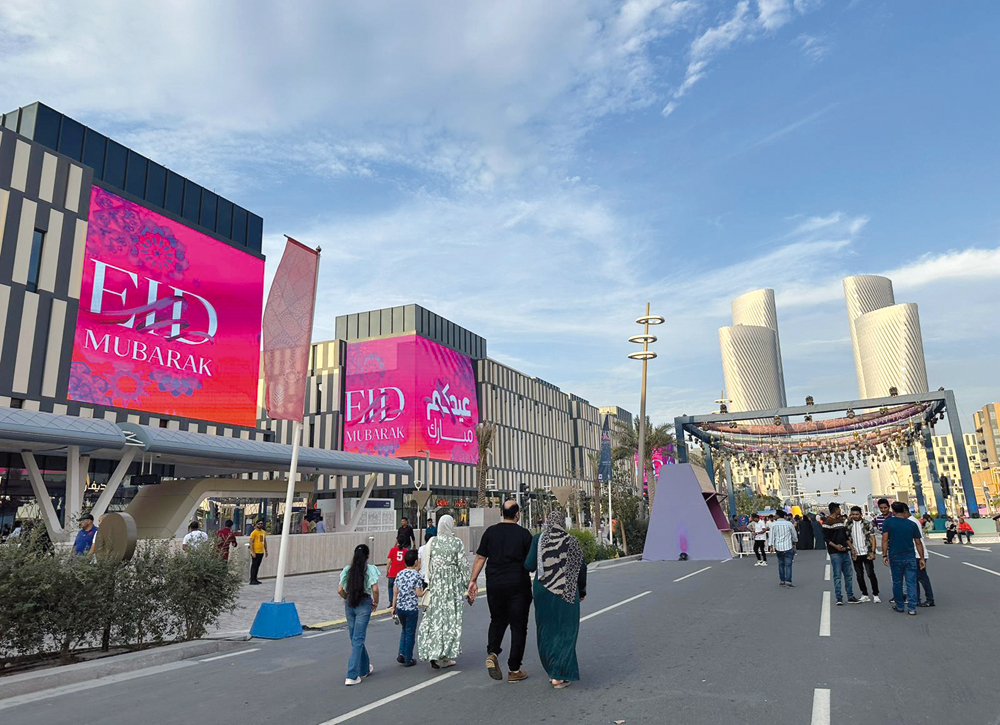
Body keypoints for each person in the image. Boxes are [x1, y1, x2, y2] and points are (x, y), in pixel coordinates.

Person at [467, 499, 534, 683]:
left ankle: (493, 653)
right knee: (518, 626)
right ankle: (514, 669)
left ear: (502, 514)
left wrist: (472, 581)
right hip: (518, 585)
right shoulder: (524, 535)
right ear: (518, 514)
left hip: (495, 585)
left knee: (497, 620)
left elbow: (481, 558)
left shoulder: (491, 532)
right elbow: (531, 564)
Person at [525, 509, 587, 689]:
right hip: (567, 592)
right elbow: (581, 569)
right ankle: (559, 674)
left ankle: (552, 670)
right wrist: (581, 591)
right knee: (566, 631)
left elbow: (529, 565)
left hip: (543, 591)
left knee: (546, 630)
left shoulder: (538, 539)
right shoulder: (572, 541)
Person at [417, 515, 470, 669]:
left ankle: (434, 651)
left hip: (437, 584)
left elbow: (429, 564)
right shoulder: (456, 542)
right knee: (450, 619)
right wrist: (468, 585)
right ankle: (445, 655)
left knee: (436, 618)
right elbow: (463, 566)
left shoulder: (432, 542)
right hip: (452, 584)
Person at [338, 544, 380, 685]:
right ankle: (352, 674)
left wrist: (346, 597)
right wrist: (376, 602)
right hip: (364, 603)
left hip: (350, 603)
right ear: (367, 556)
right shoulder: (370, 569)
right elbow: (375, 589)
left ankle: (364, 667)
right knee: (358, 639)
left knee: (354, 638)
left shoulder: (348, 570)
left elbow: (339, 590)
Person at [882, 501, 925, 616]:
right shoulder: (912, 524)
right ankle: (912, 608)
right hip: (910, 556)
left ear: (893, 511)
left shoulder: (888, 522)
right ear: (904, 511)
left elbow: (885, 540)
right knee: (911, 583)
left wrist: (884, 555)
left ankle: (900, 606)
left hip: (895, 556)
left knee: (897, 582)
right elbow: (918, 542)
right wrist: (921, 558)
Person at [391, 549, 424, 667]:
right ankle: (408, 658)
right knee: (410, 632)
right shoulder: (416, 575)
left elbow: (395, 592)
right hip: (411, 608)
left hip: (400, 606)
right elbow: (419, 593)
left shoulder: (400, 574)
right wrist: (427, 590)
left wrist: (393, 607)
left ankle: (402, 653)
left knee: (404, 630)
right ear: (416, 562)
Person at [822, 503, 860, 605]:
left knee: (849, 575)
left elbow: (845, 537)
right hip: (835, 553)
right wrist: (835, 546)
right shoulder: (827, 522)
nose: (840, 510)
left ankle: (850, 596)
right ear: (835, 510)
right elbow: (826, 538)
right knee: (837, 576)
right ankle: (839, 597)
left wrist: (852, 549)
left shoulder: (840, 521)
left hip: (845, 551)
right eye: (839, 508)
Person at [848, 506, 880, 603]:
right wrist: (852, 550)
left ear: (861, 514)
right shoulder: (848, 524)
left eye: (857, 514)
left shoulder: (867, 524)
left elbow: (873, 538)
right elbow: (847, 538)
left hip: (867, 552)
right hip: (856, 553)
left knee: (870, 574)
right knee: (859, 575)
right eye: (853, 514)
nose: (855, 516)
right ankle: (864, 594)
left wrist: (873, 552)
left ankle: (875, 594)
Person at [770, 509, 798, 586]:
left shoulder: (773, 524)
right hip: (788, 546)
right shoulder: (789, 524)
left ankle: (782, 580)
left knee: (781, 564)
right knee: (788, 565)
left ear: (778, 515)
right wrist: (795, 541)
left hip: (778, 547)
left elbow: (771, 536)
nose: (774, 516)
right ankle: (788, 581)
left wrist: (771, 546)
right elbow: (794, 535)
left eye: (776, 514)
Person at [387, 534, 409, 605]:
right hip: (402, 572)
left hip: (393, 572)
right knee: (401, 587)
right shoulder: (406, 550)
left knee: (390, 587)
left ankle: (391, 601)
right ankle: (400, 600)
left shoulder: (393, 550)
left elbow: (389, 561)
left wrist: (388, 570)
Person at [249, 520, 267, 585]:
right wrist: (252, 551)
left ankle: (255, 578)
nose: (260, 525)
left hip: (261, 551)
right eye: (259, 524)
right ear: (256, 524)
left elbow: (264, 541)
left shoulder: (263, 532)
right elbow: (251, 542)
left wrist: (266, 550)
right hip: (255, 551)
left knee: (257, 566)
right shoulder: (254, 533)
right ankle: (252, 579)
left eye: (261, 524)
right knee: (254, 565)